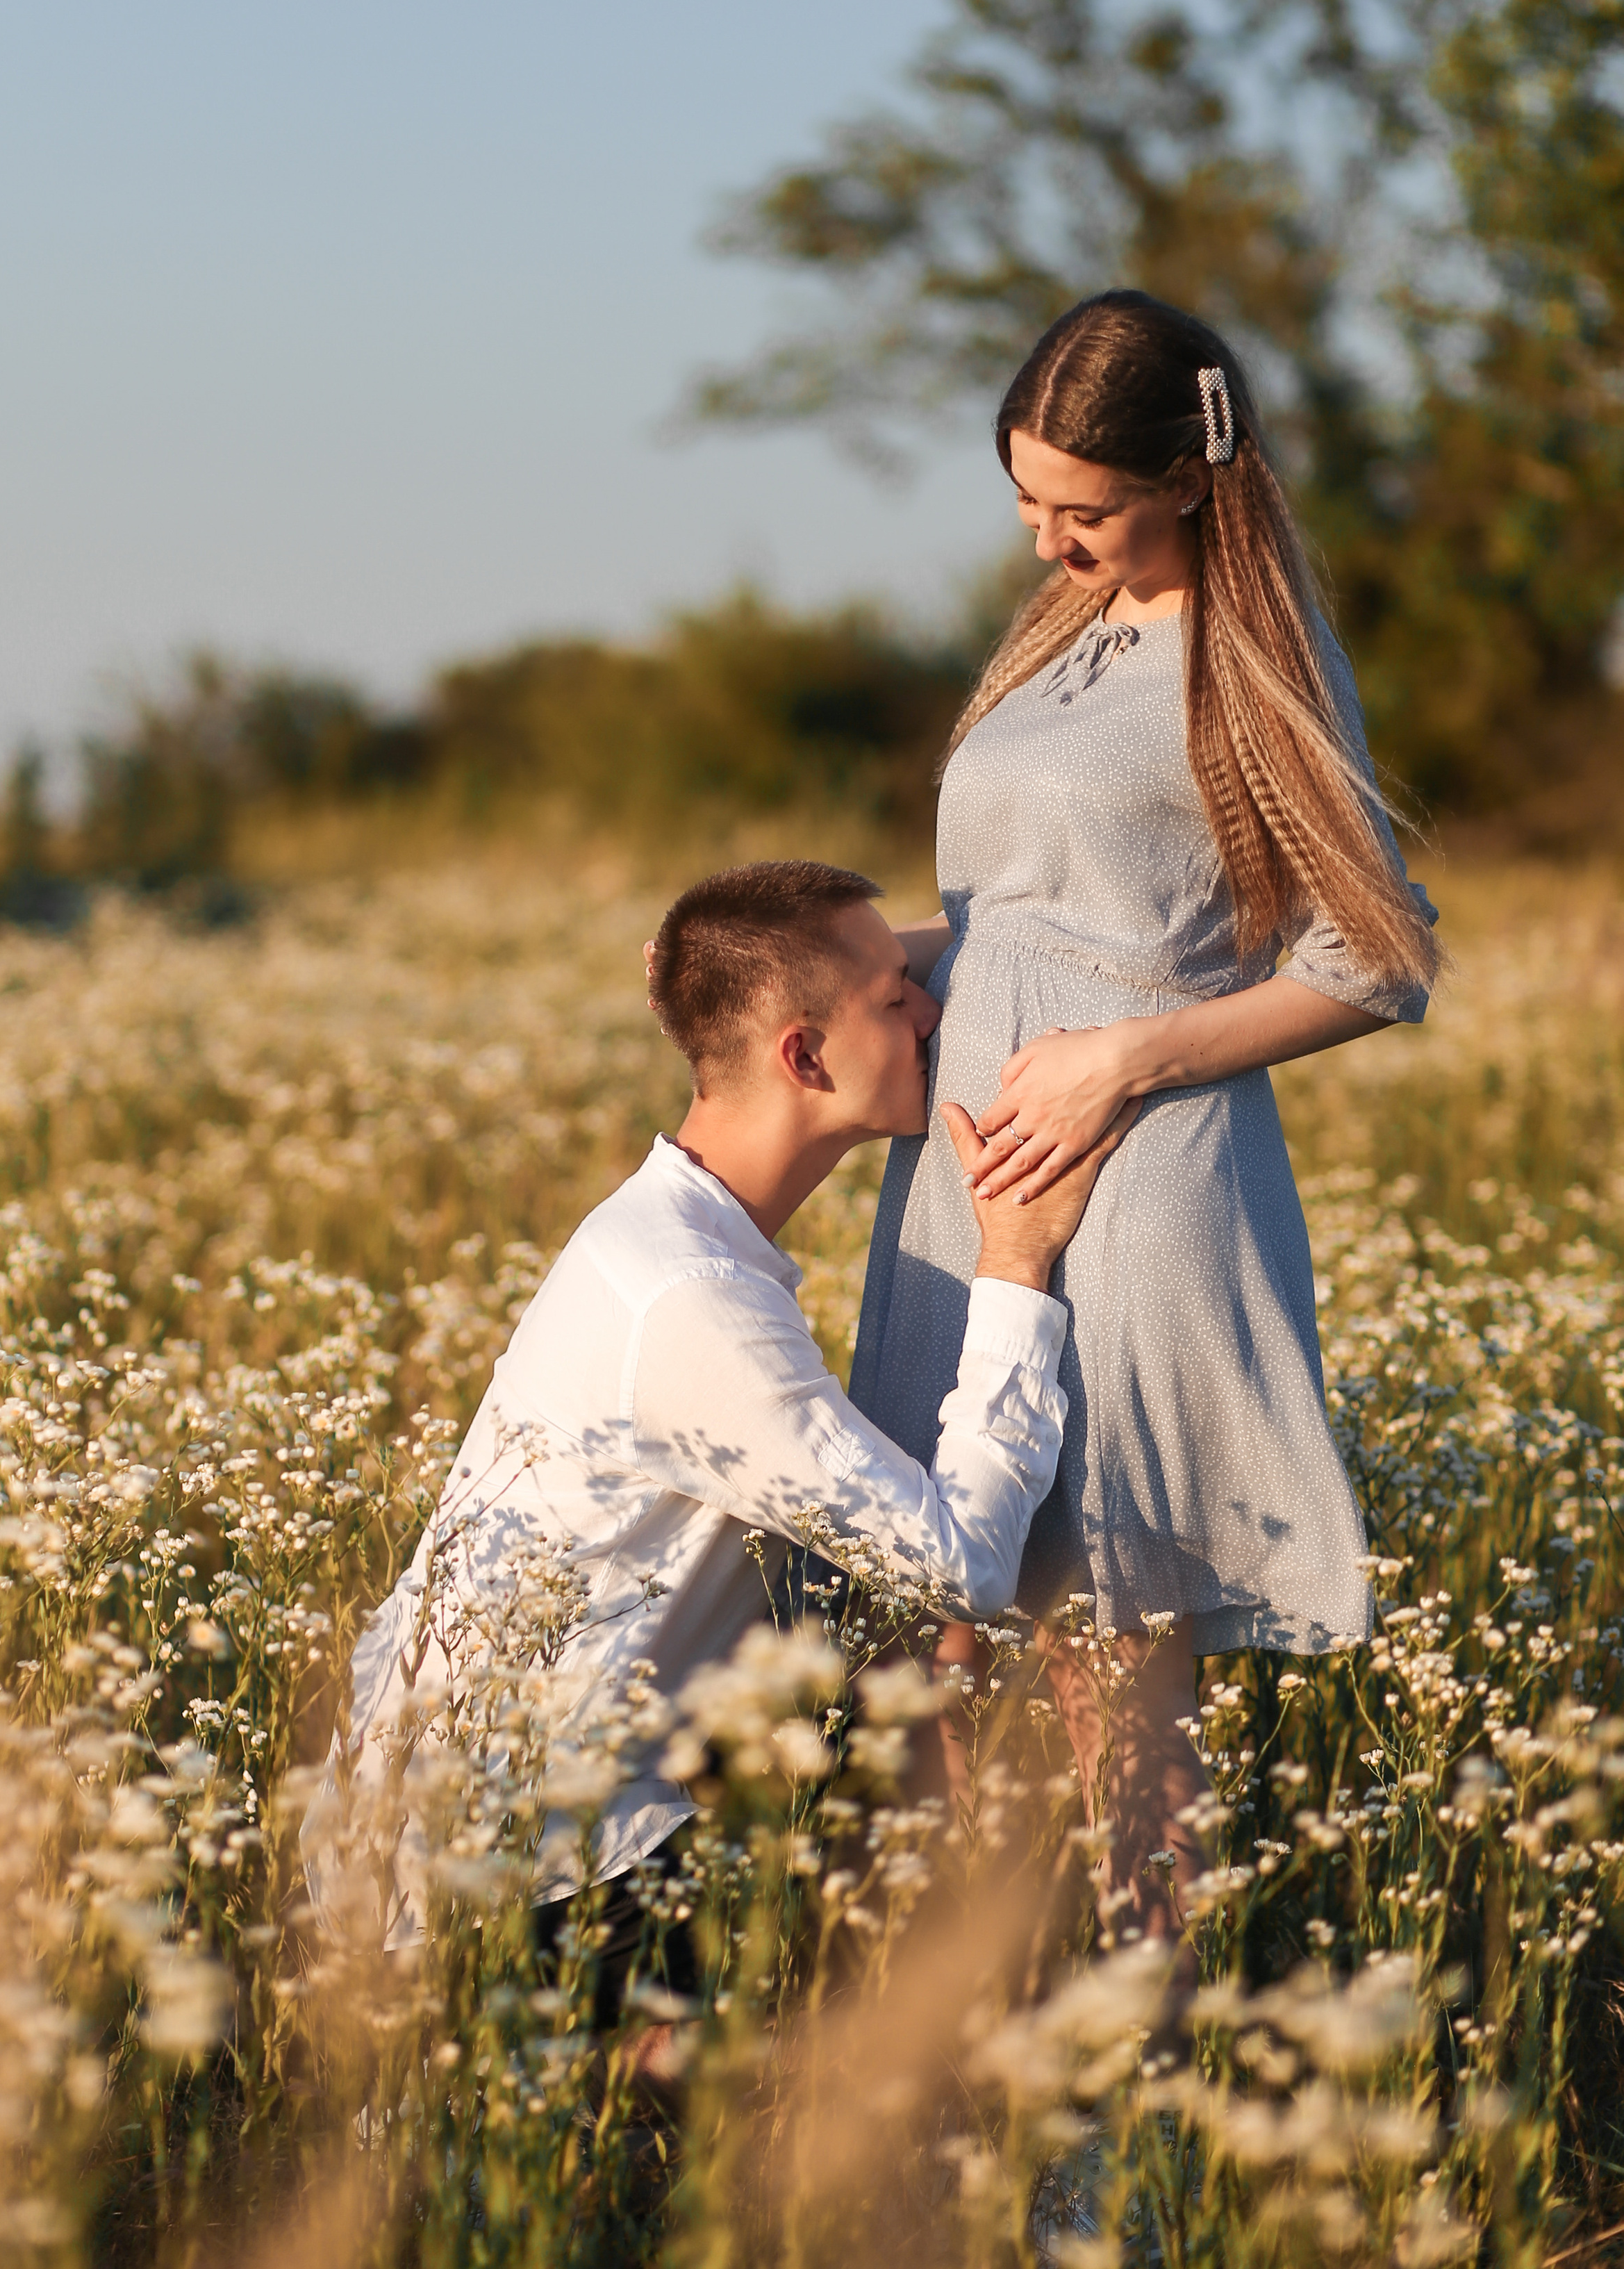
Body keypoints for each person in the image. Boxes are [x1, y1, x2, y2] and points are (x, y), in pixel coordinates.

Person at [848, 290, 1440, 1942]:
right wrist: (806, 972)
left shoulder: (1253, 662)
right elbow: (1011, 919)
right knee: (933, 1628)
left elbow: (1373, 964)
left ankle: (1126, 2097)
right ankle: (938, 2064)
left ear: (1192, 475)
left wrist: (1126, 1060)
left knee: (1109, 1660)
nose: (1047, 542)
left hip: (1131, 1175)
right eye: (1027, 505)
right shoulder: (1061, 637)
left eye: (1083, 511)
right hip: (964, 1175)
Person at [317, 859, 1136, 2012]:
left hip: (481, 1830)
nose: (935, 1018)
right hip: (509, 1877)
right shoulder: (691, 1296)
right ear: (805, 1058)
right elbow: (965, 1567)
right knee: (848, 2101)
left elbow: (782, 980)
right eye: (900, 999)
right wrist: (1015, 1262)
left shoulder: (663, 1238)